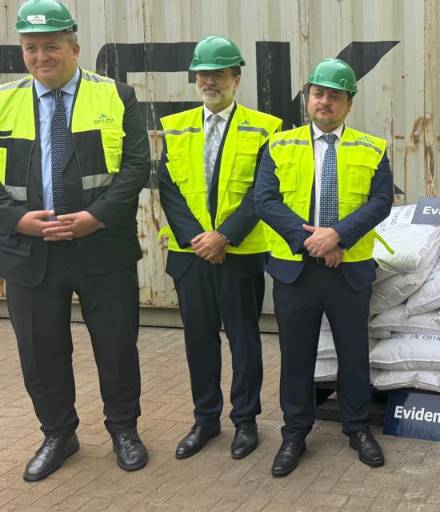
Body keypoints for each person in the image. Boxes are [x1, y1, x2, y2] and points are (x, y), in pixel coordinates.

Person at [0, 0, 150, 481]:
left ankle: (124, 429)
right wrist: (16, 220)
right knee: (40, 352)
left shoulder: (117, 96)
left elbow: (136, 168)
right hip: (29, 251)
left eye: (52, 46)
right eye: (31, 47)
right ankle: (58, 434)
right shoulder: (3, 101)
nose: (41, 56)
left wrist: (95, 217)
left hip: (102, 247)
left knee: (116, 345)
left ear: (74, 48)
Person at [254, 58, 393, 477]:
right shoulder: (279, 145)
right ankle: (294, 433)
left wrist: (338, 236)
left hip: (349, 269)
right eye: (318, 93)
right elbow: (265, 200)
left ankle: (357, 428)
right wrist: (313, 242)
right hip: (295, 270)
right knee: (297, 356)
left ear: (349, 103)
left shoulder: (372, 148)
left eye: (335, 95)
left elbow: (380, 202)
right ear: (308, 98)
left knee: (354, 354)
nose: (325, 101)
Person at [158, 35, 282, 461]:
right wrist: (199, 239)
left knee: (244, 340)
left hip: (239, 254)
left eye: (219, 75)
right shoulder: (176, 127)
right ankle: (205, 420)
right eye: (203, 75)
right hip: (190, 255)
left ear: (236, 79)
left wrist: (224, 236)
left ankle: (245, 420)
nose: (209, 82)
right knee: (199, 340)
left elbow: (263, 192)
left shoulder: (265, 127)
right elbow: (169, 188)